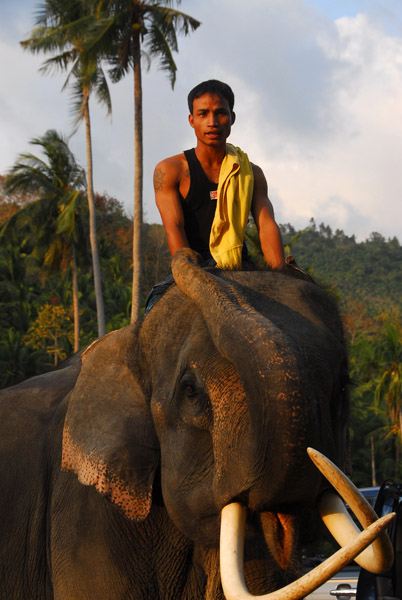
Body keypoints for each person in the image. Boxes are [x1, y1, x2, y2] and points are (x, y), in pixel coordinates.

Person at [146, 79, 286, 312]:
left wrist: (282, 278)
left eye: (220, 113)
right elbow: (175, 227)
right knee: (152, 321)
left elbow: (266, 224)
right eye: (203, 114)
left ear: (232, 118)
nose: (212, 122)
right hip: (191, 268)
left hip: (240, 268)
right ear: (192, 120)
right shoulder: (171, 170)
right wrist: (191, 277)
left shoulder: (251, 173)